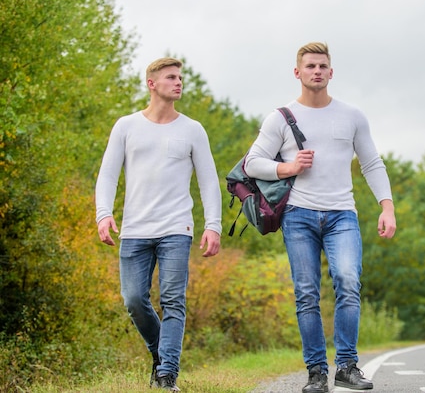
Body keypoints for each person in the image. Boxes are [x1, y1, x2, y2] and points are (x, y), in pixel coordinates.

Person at [245, 42, 396, 393]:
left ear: (331, 72)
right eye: (310, 66)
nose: (317, 71)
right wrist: (288, 167)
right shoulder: (280, 118)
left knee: (347, 281)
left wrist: (386, 206)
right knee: (307, 292)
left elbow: (372, 163)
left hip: (342, 214)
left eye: (322, 66)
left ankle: (346, 366)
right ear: (297, 72)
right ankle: (316, 371)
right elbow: (253, 163)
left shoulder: (352, 116)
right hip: (299, 214)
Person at [95, 57, 222, 391]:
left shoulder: (193, 129)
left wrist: (214, 225)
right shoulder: (126, 126)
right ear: (152, 84)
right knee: (134, 299)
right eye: (171, 77)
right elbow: (108, 173)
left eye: (180, 77)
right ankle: (159, 352)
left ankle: (167, 374)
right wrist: (103, 213)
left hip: (176, 229)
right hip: (135, 229)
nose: (179, 82)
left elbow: (209, 181)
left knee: (173, 301)